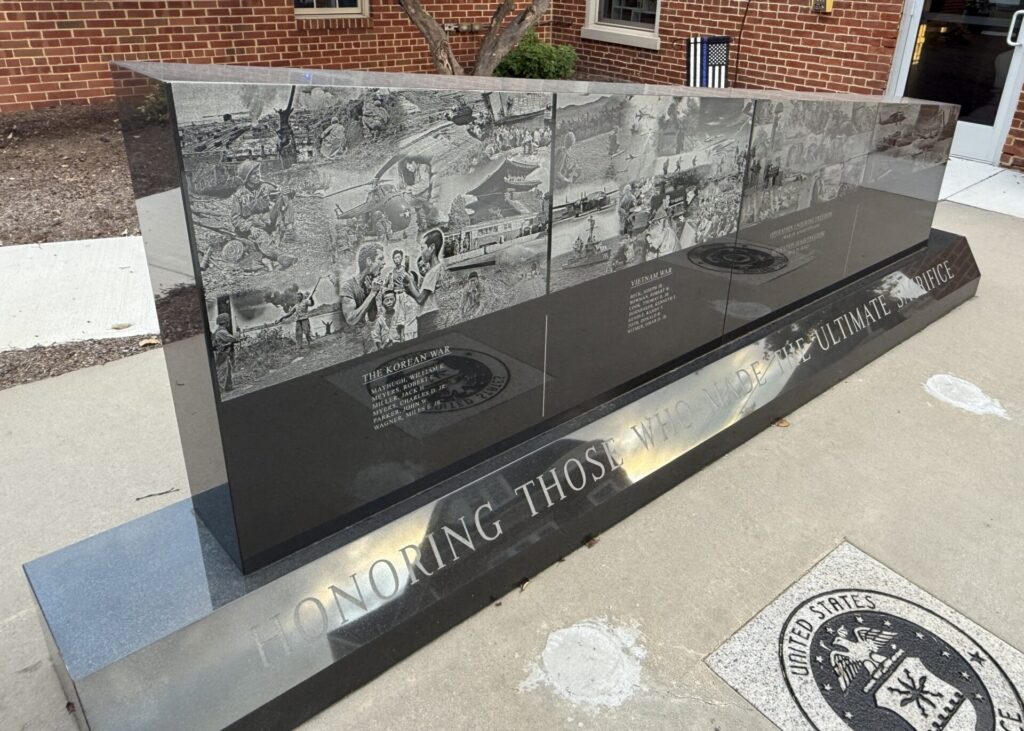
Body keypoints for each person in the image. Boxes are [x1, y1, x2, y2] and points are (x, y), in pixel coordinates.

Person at [230, 161, 295, 270]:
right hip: (253, 226)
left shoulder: (265, 186)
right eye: (254, 173)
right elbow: (236, 219)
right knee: (260, 236)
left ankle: (290, 230)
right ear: (246, 177)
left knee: (284, 195)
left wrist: (289, 191)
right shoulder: (239, 195)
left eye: (258, 172)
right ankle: (280, 256)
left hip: (268, 220)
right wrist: (250, 228)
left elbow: (285, 195)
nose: (258, 175)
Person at [339, 242, 385, 354]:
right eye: (380, 259)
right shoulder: (348, 286)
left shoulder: (368, 285)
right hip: (352, 343)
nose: (384, 263)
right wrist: (372, 293)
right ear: (369, 261)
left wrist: (371, 293)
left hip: (367, 336)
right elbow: (351, 319)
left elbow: (372, 317)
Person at [402, 228, 445, 337]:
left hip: (428, 319)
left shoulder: (432, 272)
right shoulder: (438, 269)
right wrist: (410, 290)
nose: (421, 252)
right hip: (430, 317)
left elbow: (421, 299)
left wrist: (411, 283)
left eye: (422, 248)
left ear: (431, 248)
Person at [211, 312, 241, 393]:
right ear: (225, 322)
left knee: (228, 369)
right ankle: (219, 390)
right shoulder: (222, 332)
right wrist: (238, 333)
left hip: (223, 353)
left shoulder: (221, 330)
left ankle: (228, 386)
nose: (229, 322)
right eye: (228, 321)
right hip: (220, 354)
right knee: (222, 370)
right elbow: (233, 339)